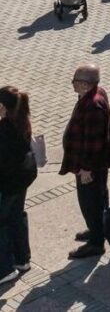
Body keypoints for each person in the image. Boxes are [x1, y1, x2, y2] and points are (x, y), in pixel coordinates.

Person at [61, 65, 110, 261]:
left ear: (84, 84)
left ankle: (96, 242)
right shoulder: (96, 94)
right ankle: (96, 229)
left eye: (75, 80)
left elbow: (94, 142)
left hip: (90, 167)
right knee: (96, 200)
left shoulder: (93, 105)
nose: (73, 83)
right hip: (93, 165)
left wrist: (85, 168)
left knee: (90, 202)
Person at [0, 87, 36, 283]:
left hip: (7, 183)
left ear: (3, 106)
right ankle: (22, 259)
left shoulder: (4, 128)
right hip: (21, 180)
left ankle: (4, 269)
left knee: (3, 223)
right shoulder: (22, 121)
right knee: (16, 217)